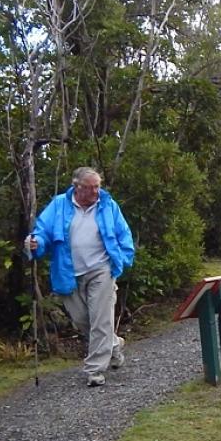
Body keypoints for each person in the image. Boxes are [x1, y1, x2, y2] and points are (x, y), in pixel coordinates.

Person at [26, 166, 135, 387]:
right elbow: (43, 230)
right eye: (90, 188)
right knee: (82, 320)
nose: (96, 192)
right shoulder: (59, 205)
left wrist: (123, 258)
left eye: (98, 187)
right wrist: (35, 243)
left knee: (100, 320)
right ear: (76, 187)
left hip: (101, 269)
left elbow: (124, 233)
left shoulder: (107, 205)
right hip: (69, 272)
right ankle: (113, 345)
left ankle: (94, 370)